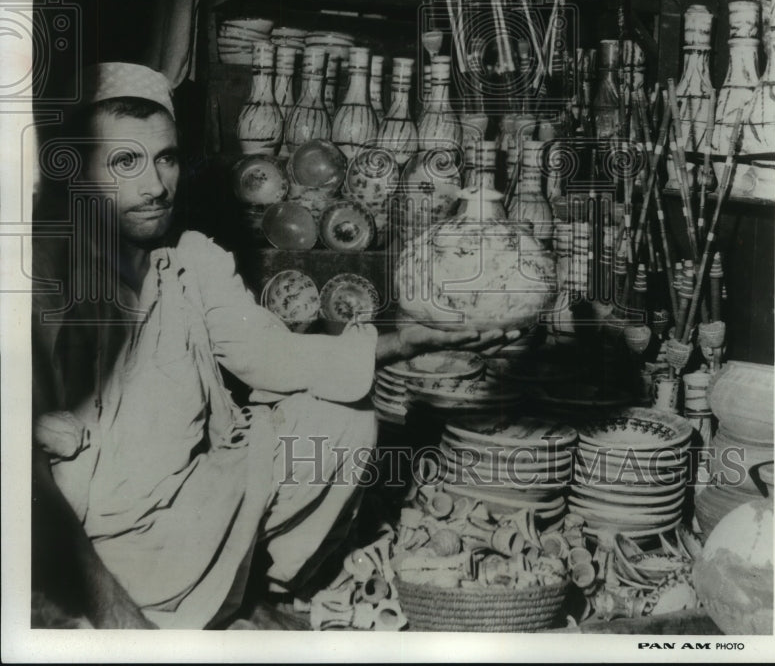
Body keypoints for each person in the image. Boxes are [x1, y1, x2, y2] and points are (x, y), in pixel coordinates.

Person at [31, 63, 514, 629]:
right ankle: (193, 604)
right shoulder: (44, 277)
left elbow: (274, 358)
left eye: (166, 158)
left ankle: (257, 585)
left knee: (340, 421)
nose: (156, 186)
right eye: (125, 163)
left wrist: (410, 336)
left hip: (196, 513)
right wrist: (113, 615)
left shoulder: (191, 260)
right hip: (91, 550)